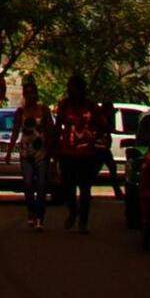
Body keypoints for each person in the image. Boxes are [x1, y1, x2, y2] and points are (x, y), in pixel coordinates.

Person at [54, 74, 104, 232]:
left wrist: (96, 136)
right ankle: (73, 212)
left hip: (87, 153)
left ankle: (83, 221)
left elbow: (101, 125)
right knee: (67, 186)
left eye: (75, 88)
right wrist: (55, 147)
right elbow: (58, 126)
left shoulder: (91, 106)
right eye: (70, 88)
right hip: (67, 152)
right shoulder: (64, 105)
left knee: (85, 187)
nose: (72, 91)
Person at [3, 78, 54, 230]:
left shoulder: (44, 110)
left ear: (37, 94)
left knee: (42, 185)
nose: (31, 95)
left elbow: (49, 130)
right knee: (28, 184)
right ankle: (31, 212)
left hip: (41, 152)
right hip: (26, 152)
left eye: (33, 92)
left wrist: (52, 151)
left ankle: (40, 217)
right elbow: (14, 132)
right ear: (25, 95)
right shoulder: (20, 112)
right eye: (28, 93)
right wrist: (9, 151)